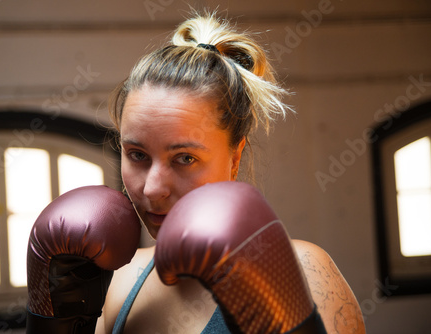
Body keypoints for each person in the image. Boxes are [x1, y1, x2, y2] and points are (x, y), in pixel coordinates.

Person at [90, 11, 366, 334]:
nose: (152, 189)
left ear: (235, 158)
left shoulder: (304, 271)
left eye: (184, 158)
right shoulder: (121, 280)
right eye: (137, 155)